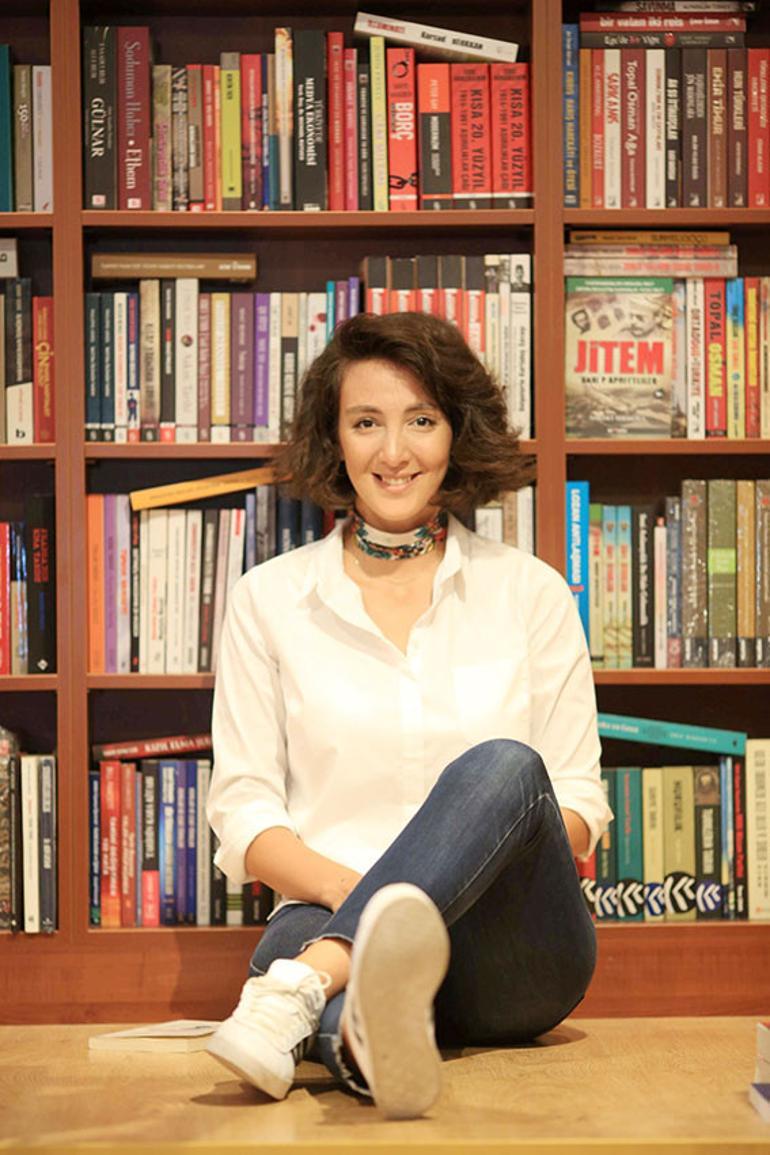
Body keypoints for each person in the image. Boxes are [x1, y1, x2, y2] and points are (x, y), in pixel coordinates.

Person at [205, 311, 612, 1120]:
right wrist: (374, 907)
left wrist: (438, 884)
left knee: (505, 764)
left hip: (512, 952)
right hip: (330, 908)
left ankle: (308, 986)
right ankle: (364, 1042)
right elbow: (245, 815)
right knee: (299, 936)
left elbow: (576, 805)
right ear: (335, 438)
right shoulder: (268, 600)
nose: (394, 452)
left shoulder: (530, 592)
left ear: (456, 431)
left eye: (420, 420)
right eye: (367, 423)